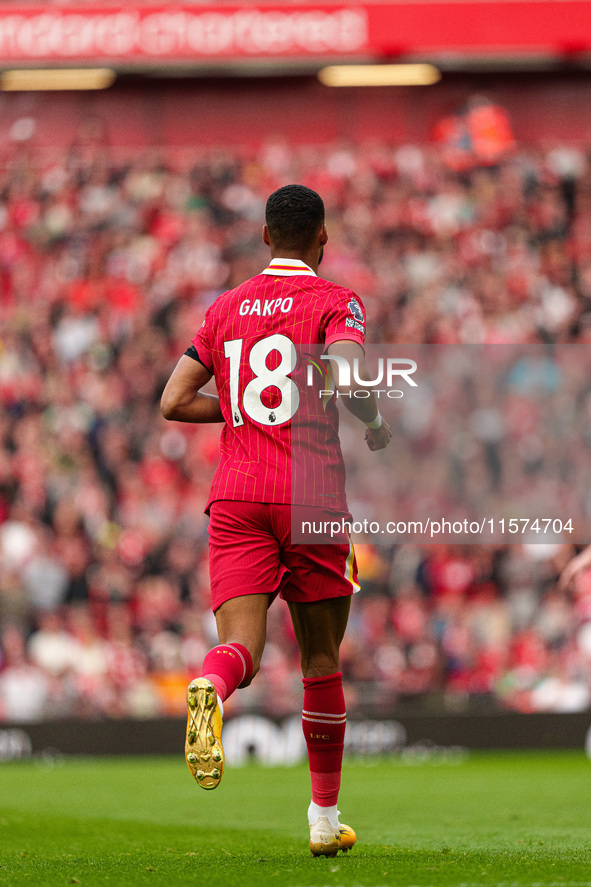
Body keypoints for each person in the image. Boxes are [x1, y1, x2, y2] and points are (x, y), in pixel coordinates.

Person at [160, 184, 392, 857]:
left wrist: (237, 410)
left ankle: (209, 684)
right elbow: (348, 381)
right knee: (319, 658)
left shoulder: (225, 307)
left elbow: (174, 400)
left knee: (242, 650)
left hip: (236, 494)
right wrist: (374, 423)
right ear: (323, 237)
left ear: (264, 237)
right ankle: (323, 819)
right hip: (310, 493)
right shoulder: (334, 301)